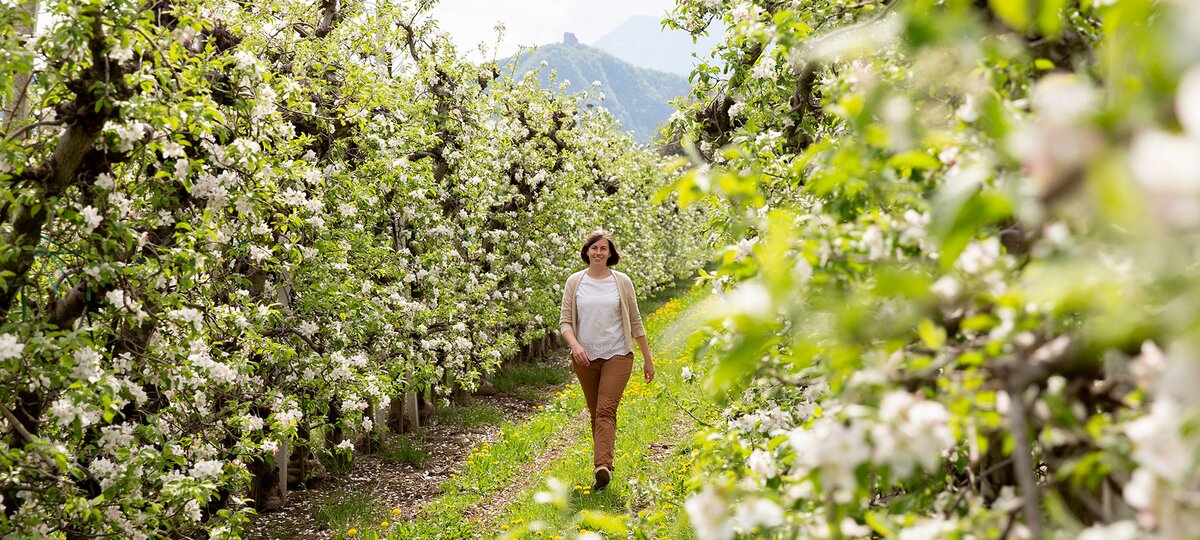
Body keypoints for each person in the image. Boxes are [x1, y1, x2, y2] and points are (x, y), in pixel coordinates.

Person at [559, 230, 655, 490]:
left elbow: (635, 321)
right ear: (587, 252)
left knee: (605, 410)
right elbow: (565, 322)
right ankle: (605, 468)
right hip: (585, 358)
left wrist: (647, 358)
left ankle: (601, 465)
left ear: (611, 253)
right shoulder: (574, 282)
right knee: (596, 413)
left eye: (604, 248)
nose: (598, 252)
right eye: (594, 248)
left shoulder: (621, 281)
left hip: (618, 353)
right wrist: (576, 346)